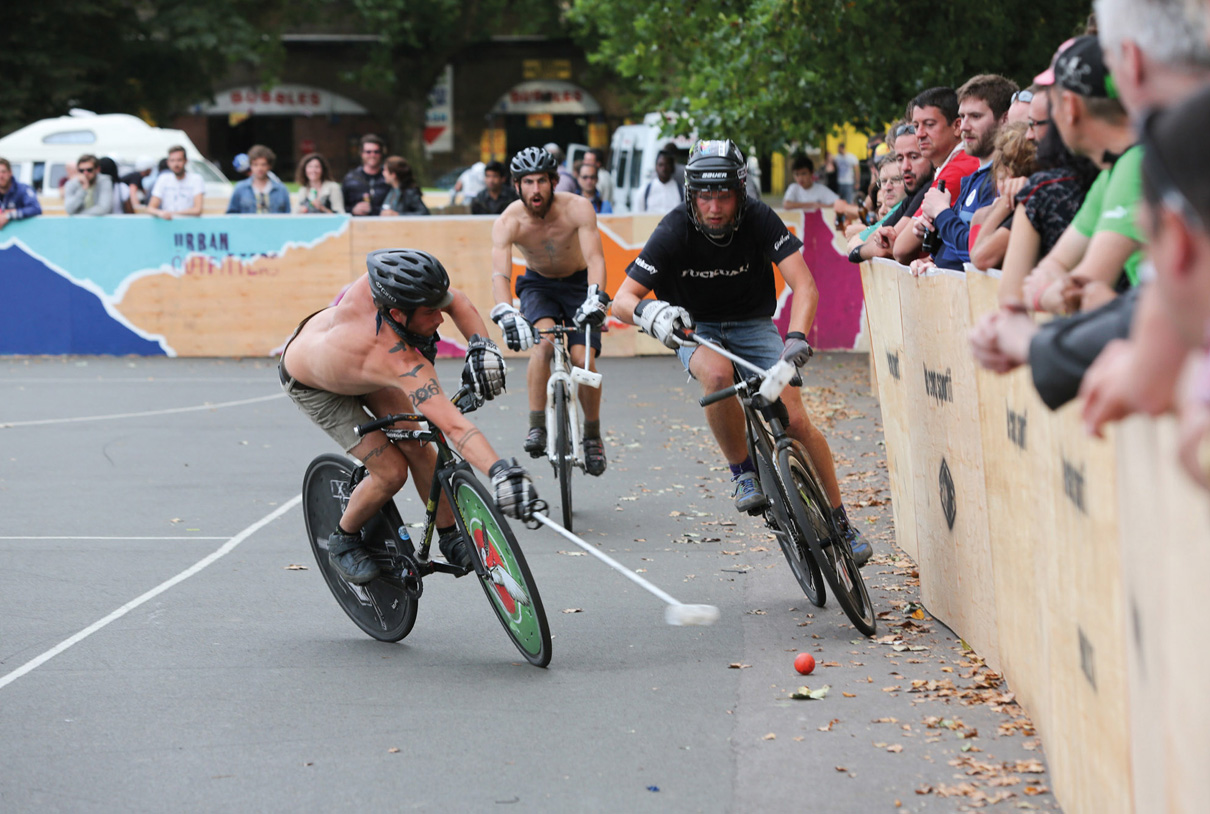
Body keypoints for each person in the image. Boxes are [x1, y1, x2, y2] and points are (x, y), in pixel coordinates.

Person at [611, 139, 872, 566]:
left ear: (741, 191)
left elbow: (804, 285)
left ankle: (842, 521)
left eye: (724, 195)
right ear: (690, 195)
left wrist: (797, 336)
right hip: (698, 328)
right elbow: (621, 299)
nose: (714, 207)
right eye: (704, 196)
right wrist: (651, 311)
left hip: (755, 324)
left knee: (798, 421)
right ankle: (743, 472)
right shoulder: (675, 227)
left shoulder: (758, 218)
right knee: (717, 377)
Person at [278, 248, 533, 583]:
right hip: (316, 386)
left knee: (418, 444)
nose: (440, 319)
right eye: (430, 313)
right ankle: (344, 538)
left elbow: (455, 301)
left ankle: (450, 535)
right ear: (398, 315)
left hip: (343, 356)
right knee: (391, 473)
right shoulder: (395, 362)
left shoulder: (389, 286)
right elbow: (454, 425)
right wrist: (499, 472)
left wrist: (481, 345)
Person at [489, 146, 610, 476]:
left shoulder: (578, 208)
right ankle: (537, 424)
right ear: (517, 186)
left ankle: (592, 436)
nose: (535, 189)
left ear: (554, 181)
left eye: (542, 181)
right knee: (542, 344)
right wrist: (505, 312)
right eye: (527, 182)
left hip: (579, 284)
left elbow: (597, 259)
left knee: (584, 356)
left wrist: (596, 298)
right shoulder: (508, 221)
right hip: (538, 285)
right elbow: (500, 274)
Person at [1022, 36, 1143, 315]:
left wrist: (1047, 293)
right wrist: (1052, 291)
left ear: (1070, 106)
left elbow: (1083, 286)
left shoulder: (1134, 164)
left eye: (1051, 103)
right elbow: (1058, 271)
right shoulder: (1112, 173)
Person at [899, 74, 1019, 271]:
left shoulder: (1005, 180)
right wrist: (932, 257)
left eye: (975, 116)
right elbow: (955, 248)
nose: (964, 126)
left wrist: (942, 213)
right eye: (962, 116)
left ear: (1004, 119)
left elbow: (975, 252)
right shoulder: (974, 178)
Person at [848, 124, 935, 263]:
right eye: (900, 158)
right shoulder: (913, 194)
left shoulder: (929, 189)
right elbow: (855, 248)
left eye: (913, 156)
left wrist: (865, 248)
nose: (905, 166)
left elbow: (894, 249)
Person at [782, 155, 860, 219]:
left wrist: (822, 206)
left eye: (803, 174)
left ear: (811, 173)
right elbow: (786, 205)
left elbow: (838, 203)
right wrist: (812, 205)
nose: (800, 178)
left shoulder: (821, 189)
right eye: (797, 174)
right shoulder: (793, 188)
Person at [226, 145, 291, 214]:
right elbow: (231, 215)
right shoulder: (240, 188)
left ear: (269, 166)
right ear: (250, 166)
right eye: (255, 165)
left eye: (263, 164)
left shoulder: (281, 189)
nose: (259, 168)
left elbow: (288, 216)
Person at [147, 145, 204, 220]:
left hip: (188, 226)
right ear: (168, 162)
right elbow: (150, 208)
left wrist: (171, 214)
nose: (176, 164)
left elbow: (197, 210)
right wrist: (161, 213)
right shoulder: (163, 179)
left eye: (179, 160)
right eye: (172, 160)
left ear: (185, 161)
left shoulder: (196, 179)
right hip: (168, 224)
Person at [342, 135, 390, 216]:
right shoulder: (351, 178)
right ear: (361, 154)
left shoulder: (389, 178)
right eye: (368, 152)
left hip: (384, 225)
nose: (372, 155)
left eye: (376, 152)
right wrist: (352, 210)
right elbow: (339, 208)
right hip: (358, 225)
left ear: (381, 154)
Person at [0, 157, 41, 229]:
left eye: (3, 172)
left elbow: (36, 208)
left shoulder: (23, 189)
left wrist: (10, 215)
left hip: (22, 235)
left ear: (10, 173)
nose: (1, 176)